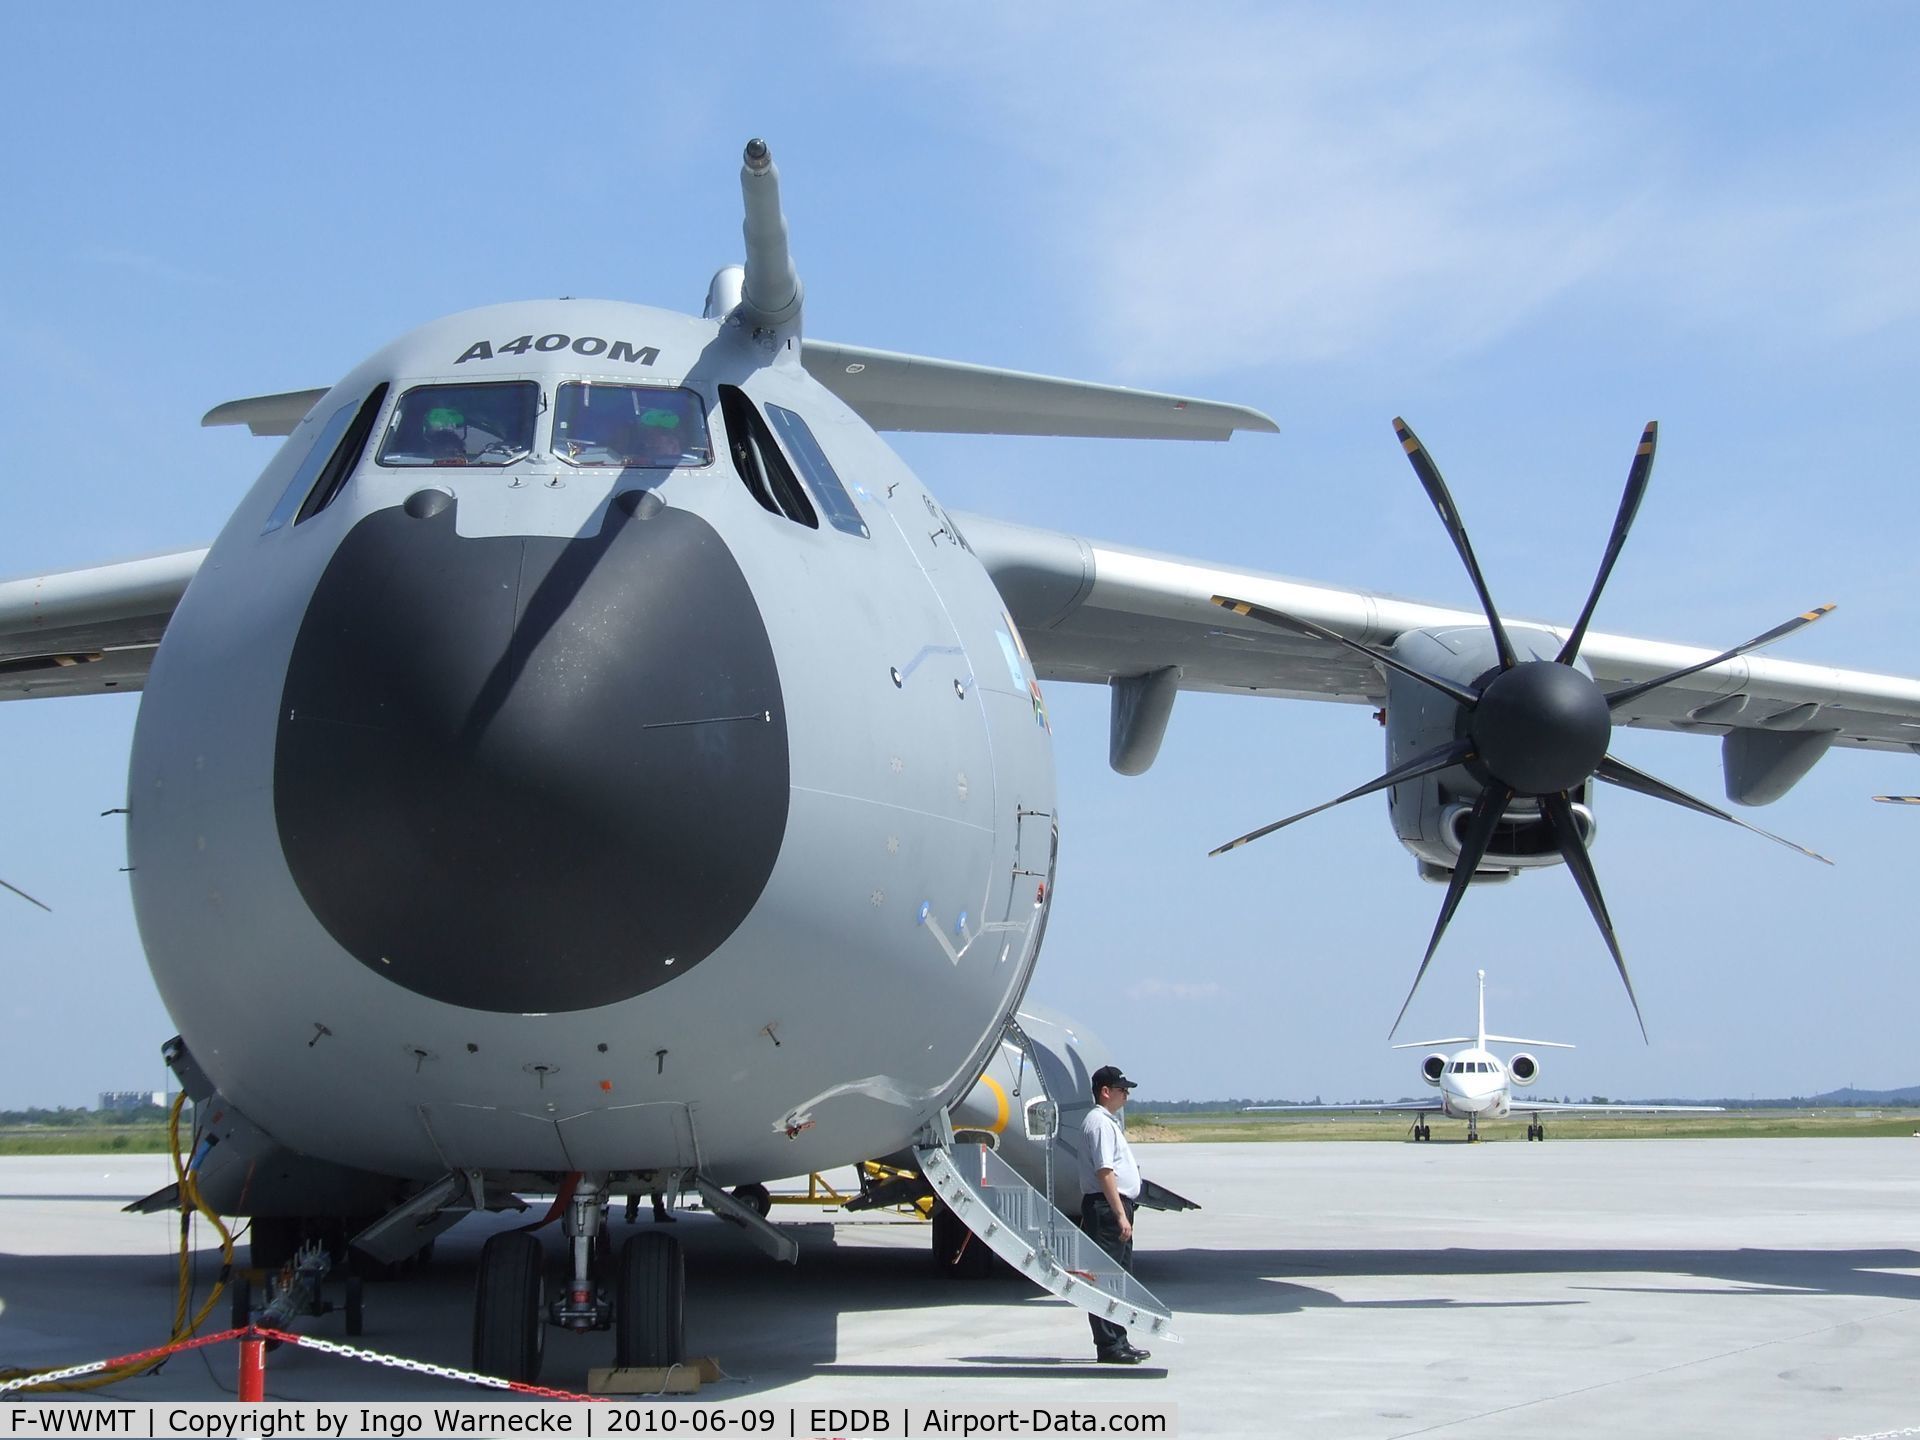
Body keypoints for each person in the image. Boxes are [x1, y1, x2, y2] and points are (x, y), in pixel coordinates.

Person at [1076, 1063, 1151, 1364]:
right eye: (1122, 1090)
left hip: (1116, 1205)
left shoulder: (1108, 1122)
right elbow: (1105, 1172)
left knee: (1120, 1278)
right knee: (1105, 1278)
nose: (1126, 1095)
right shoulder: (1098, 1123)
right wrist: (1120, 1214)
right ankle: (1108, 1345)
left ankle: (1120, 1338)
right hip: (1107, 1207)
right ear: (1106, 1092)